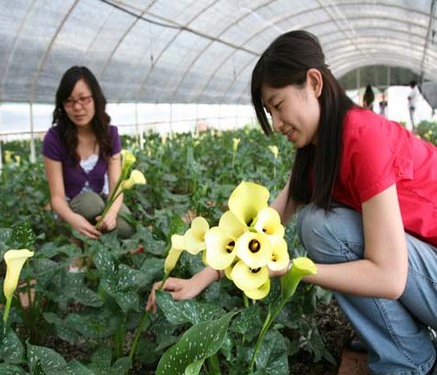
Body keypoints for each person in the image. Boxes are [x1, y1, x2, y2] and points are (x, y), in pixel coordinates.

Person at [147, 31, 437, 374]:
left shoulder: (363, 137)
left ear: (313, 82)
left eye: (278, 105)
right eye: (269, 111)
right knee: (318, 224)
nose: (276, 123)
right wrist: (201, 278)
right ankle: (410, 353)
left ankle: (410, 362)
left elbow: (390, 278)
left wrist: (293, 270)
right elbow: (270, 221)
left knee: (324, 228)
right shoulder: (319, 152)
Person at [42, 66, 135, 245]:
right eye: (69, 101)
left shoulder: (110, 134)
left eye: (84, 99)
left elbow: (117, 187)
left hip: (102, 203)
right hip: (71, 212)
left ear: (96, 98)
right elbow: (57, 198)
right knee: (90, 203)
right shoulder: (54, 139)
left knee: (126, 226)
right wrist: (73, 220)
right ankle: (79, 247)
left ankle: (91, 246)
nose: (77, 107)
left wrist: (111, 214)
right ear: (62, 105)